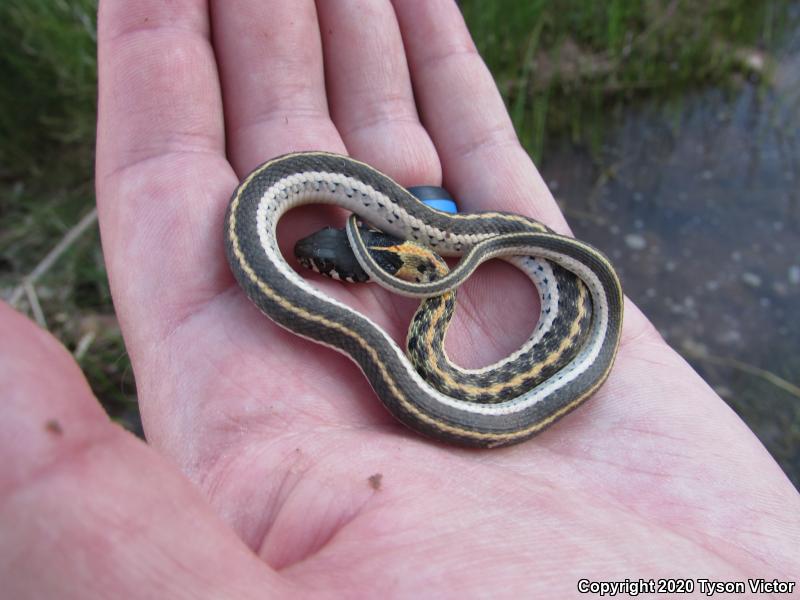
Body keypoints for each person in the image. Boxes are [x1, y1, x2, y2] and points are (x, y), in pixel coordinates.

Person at [3, 1, 797, 597]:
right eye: (314, 260)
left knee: (451, 340)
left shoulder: (440, 294)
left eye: (322, 263)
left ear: (376, 268)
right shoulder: (403, 273)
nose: (303, 263)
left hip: (455, 281)